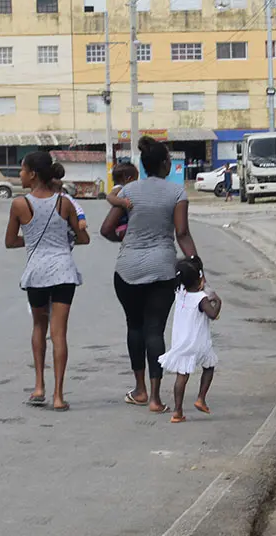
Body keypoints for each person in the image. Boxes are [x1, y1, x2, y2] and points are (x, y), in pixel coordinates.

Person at [100, 137, 199, 413]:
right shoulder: (177, 193)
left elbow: (106, 229)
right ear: (165, 164)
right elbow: (182, 233)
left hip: (127, 269)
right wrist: (195, 262)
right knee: (155, 329)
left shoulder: (128, 191)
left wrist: (129, 241)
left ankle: (139, 390)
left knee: (135, 327)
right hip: (162, 269)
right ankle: (156, 398)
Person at [5, 152, 90, 412]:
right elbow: (83, 237)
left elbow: (10, 241)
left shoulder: (20, 204)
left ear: (32, 174)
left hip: (37, 274)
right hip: (64, 272)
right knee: (60, 333)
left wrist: (30, 241)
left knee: (39, 327)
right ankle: (58, 396)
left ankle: (39, 386)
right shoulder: (64, 203)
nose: (19, 175)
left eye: (21, 170)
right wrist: (65, 240)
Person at [159, 257, 221, 424]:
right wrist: (217, 301)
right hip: (198, 343)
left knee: (182, 376)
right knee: (209, 367)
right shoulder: (201, 298)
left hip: (181, 342)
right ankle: (201, 398)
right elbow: (213, 315)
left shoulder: (180, 293)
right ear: (200, 279)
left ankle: (177, 412)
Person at [107, 161, 139, 239]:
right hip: (122, 225)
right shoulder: (119, 188)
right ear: (129, 179)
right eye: (135, 179)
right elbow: (109, 197)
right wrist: (123, 202)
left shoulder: (125, 189)